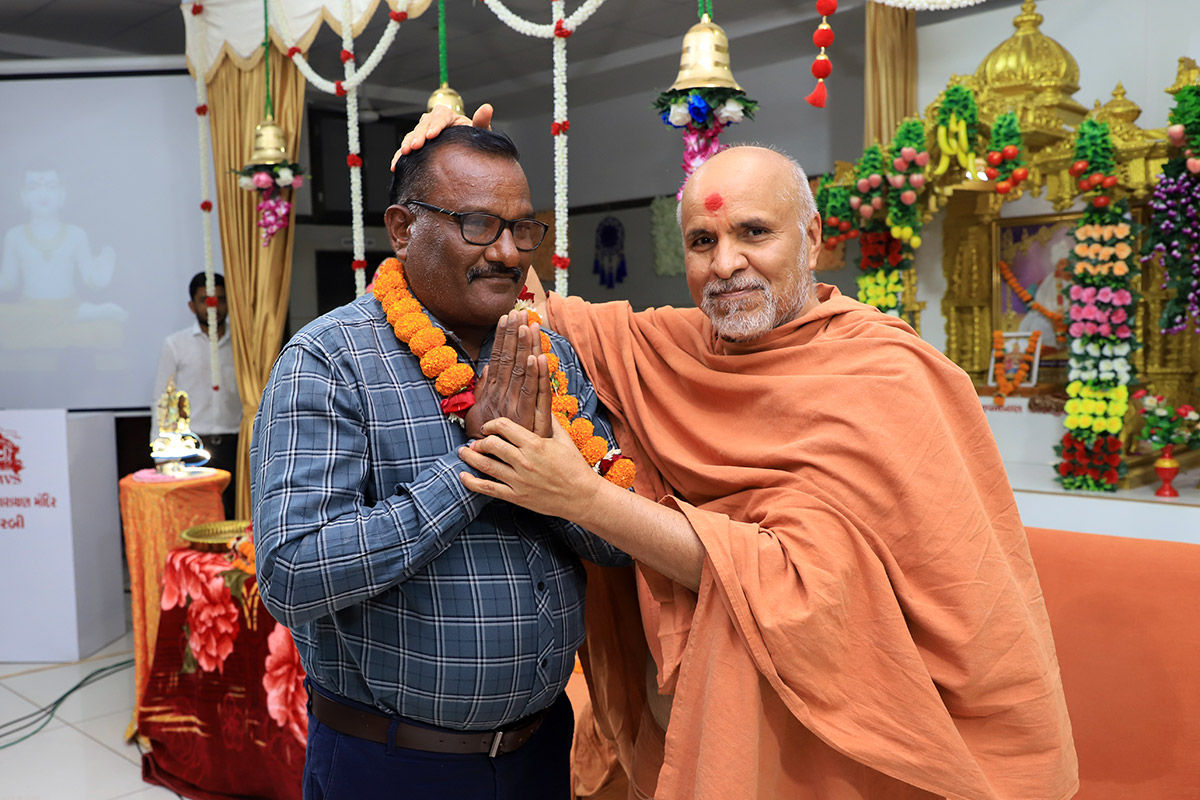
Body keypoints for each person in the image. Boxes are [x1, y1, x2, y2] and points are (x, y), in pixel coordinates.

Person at [400, 108, 1079, 799]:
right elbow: (522, 297)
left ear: (812, 237)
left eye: (754, 232)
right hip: (713, 730)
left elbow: (804, 590)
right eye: (703, 241)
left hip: (853, 748)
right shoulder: (671, 347)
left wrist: (583, 499)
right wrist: (441, 155)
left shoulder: (888, 377)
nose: (726, 264)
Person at [250, 126, 630, 800]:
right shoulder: (329, 363)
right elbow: (293, 573)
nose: (507, 253)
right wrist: (477, 463)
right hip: (395, 763)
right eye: (479, 225)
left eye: (522, 229)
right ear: (403, 229)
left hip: (541, 750)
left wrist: (553, 477)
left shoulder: (552, 358)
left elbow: (614, 543)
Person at [152, 272, 241, 517]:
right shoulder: (176, 344)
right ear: (192, 305)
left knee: (237, 517)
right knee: (197, 518)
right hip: (192, 446)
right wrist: (161, 454)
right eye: (205, 300)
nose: (214, 307)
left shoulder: (243, 344)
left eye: (221, 299)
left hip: (237, 444)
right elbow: (161, 400)